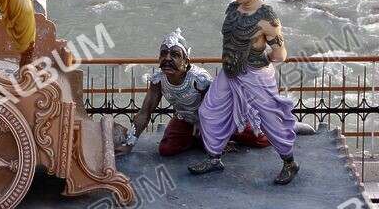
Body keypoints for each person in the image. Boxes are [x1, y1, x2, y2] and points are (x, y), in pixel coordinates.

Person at [189, 0, 299, 184]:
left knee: (270, 119)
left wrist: (261, 60)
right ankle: (214, 158)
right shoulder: (232, 8)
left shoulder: (267, 19)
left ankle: (290, 163)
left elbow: (280, 55)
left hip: (255, 74)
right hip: (229, 72)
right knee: (208, 112)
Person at [116, 28, 270, 157]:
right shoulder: (158, 80)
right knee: (166, 149)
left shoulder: (200, 80)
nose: (167, 59)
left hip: (220, 120)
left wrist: (218, 137)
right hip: (186, 118)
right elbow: (144, 112)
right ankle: (198, 137)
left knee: (262, 140)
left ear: (186, 62)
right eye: (163, 54)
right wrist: (130, 143)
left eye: (175, 55)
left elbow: (215, 111)